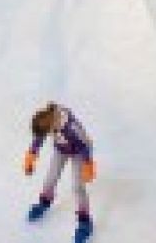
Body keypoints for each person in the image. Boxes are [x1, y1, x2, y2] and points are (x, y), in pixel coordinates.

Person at [23, 102, 95, 243]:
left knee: (77, 186)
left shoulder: (71, 127)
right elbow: (39, 138)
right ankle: (44, 203)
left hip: (79, 152)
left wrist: (88, 165)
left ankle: (85, 221)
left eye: (47, 133)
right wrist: (31, 156)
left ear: (52, 126)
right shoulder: (48, 120)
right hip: (61, 150)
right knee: (50, 178)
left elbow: (85, 145)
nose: (45, 136)